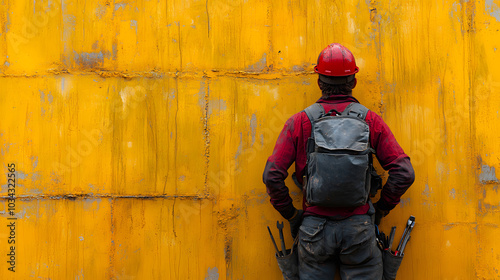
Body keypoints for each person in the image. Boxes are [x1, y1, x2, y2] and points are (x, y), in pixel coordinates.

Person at [262, 43, 415, 279]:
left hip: (313, 232)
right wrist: (381, 209)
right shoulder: (370, 120)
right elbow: (404, 172)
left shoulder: (300, 122)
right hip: (359, 230)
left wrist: (292, 215)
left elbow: (272, 175)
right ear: (353, 81)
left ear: (319, 81)